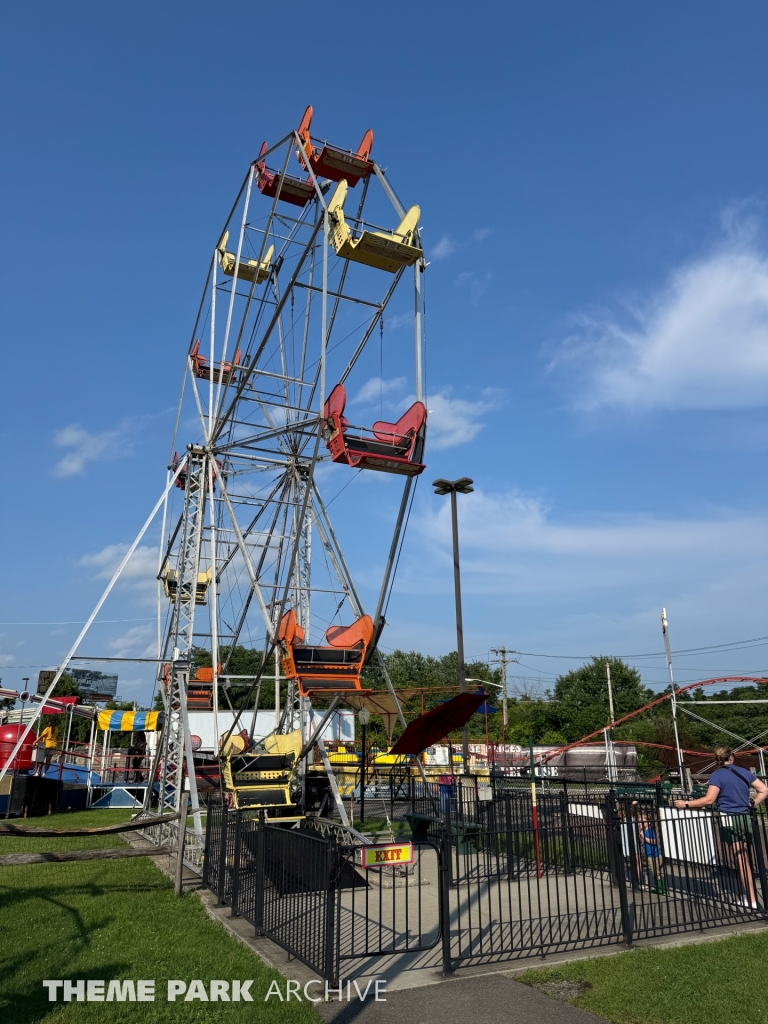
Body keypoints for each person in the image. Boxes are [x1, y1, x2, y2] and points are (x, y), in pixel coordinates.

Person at [674, 746, 768, 909]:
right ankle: (746, 895)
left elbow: (709, 800)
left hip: (729, 818)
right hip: (744, 816)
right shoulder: (744, 772)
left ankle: (751, 899)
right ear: (731, 757)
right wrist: (751, 802)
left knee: (741, 860)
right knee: (743, 857)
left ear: (716, 760)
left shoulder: (717, 775)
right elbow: (764, 789)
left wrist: (686, 804)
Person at [632, 802, 665, 894]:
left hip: (654, 855)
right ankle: (660, 887)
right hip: (649, 854)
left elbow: (654, 841)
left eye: (643, 821)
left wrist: (644, 838)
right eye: (639, 821)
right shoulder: (642, 831)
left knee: (655, 872)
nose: (641, 823)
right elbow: (642, 842)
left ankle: (660, 888)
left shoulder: (649, 831)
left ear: (649, 822)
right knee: (656, 871)